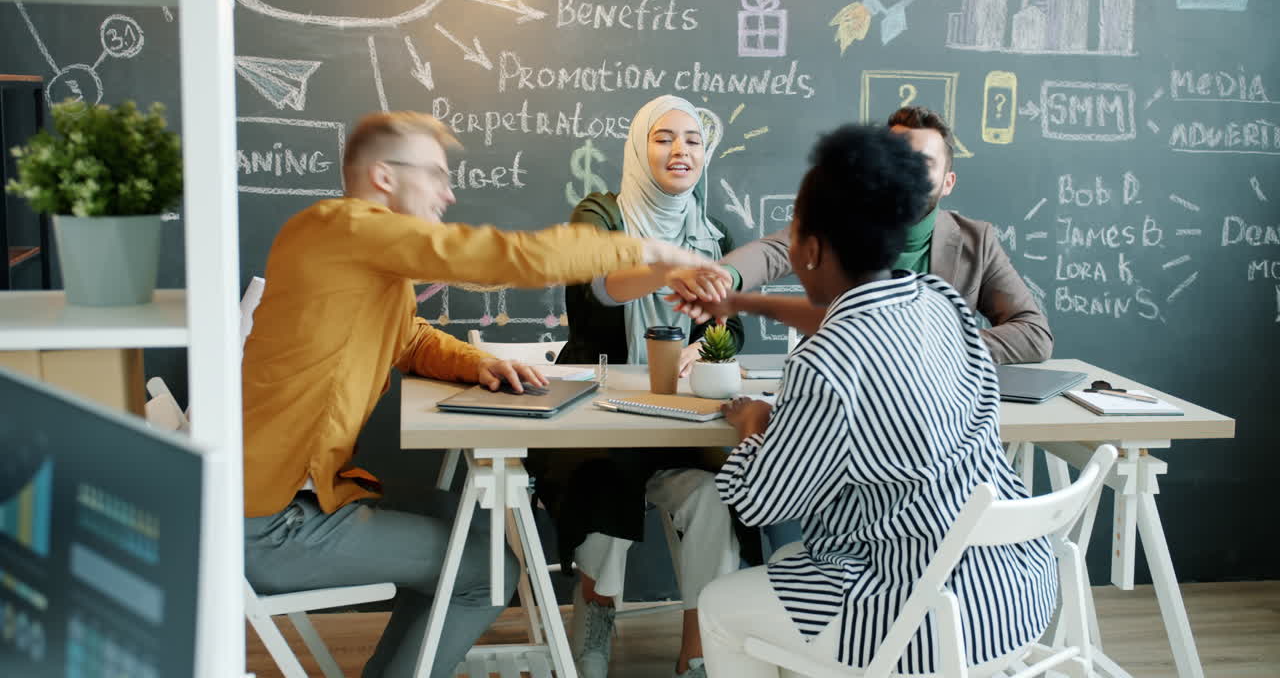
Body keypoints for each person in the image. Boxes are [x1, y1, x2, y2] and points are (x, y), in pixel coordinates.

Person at [241, 111, 719, 678]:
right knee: (488, 574)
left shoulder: (355, 252)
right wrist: (651, 253)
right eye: (435, 175)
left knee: (474, 530)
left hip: (299, 501)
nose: (448, 193)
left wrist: (481, 363)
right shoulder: (343, 228)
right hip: (274, 524)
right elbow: (499, 258)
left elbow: (409, 337)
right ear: (385, 177)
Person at [696, 124, 1057, 676]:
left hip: (918, 612)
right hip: (1013, 593)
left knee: (719, 606)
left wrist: (752, 425)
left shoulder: (825, 364)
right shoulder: (939, 301)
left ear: (810, 250)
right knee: (793, 563)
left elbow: (760, 503)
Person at [529, 95, 746, 678]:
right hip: (598, 417)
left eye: (693, 140)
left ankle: (699, 647)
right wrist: (667, 265)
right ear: (637, 148)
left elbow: (732, 326)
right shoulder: (599, 215)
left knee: (720, 494)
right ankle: (595, 615)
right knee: (605, 478)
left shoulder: (714, 232)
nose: (681, 151)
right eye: (663, 138)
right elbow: (595, 285)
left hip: (680, 425)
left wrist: (706, 346)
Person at [670, 105, 1053, 365]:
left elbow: (1034, 334)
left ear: (948, 182)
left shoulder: (976, 241)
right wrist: (725, 276)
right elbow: (774, 251)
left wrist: (936, 348)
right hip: (839, 397)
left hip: (934, 417)